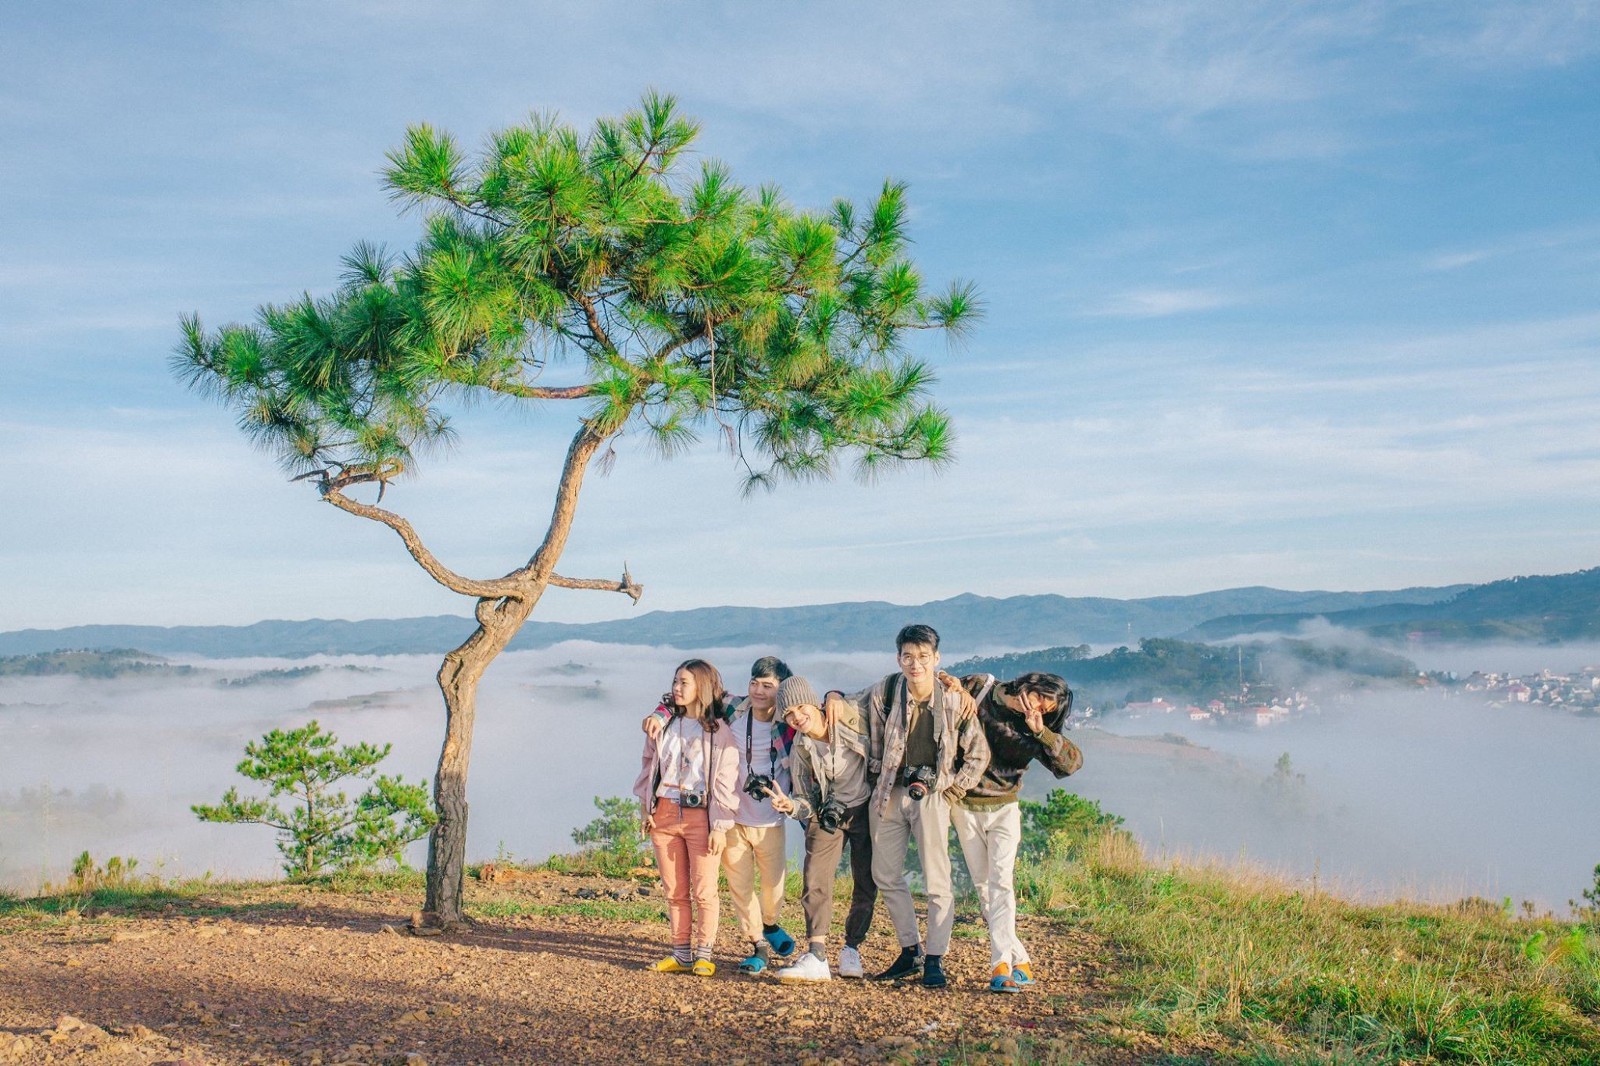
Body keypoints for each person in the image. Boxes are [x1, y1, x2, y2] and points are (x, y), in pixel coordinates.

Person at [829, 623, 989, 989]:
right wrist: (832, 695)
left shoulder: (954, 700)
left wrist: (950, 792)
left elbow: (978, 755)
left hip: (933, 795)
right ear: (898, 658)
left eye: (923, 657)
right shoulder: (886, 690)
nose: (915, 664)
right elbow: (849, 701)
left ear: (937, 658)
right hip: (888, 790)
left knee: (937, 879)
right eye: (908, 657)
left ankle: (935, 957)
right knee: (884, 874)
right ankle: (911, 950)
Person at [642, 656, 798, 973]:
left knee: (773, 887)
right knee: (739, 889)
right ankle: (757, 945)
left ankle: (769, 923)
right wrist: (659, 713)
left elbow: (817, 716)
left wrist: (834, 697)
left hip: (768, 818)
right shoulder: (734, 711)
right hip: (729, 817)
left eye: (767, 685)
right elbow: (687, 697)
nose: (758, 691)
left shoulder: (789, 724)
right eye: (754, 683)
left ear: (781, 690)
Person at [951, 671, 1082, 992]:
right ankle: (1020, 958)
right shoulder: (981, 688)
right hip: (964, 805)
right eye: (1039, 698)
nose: (1037, 707)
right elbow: (937, 683)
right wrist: (955, 687)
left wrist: (1041, 732)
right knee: (984, 890)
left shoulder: (1033, 728)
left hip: (1004, 810)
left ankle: (1000, 966)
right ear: (1029, 684)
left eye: (1046, 709)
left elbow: (1071, 764)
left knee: (1001, 883)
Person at [633, 658, 740, 976]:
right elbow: (648, 767)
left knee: (704, 890)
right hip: (664, 813)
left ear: (701, 687)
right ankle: (680, 954)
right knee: (674, 891)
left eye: (684, 683)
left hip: (701, 816)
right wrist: (646, 809)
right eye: (675, 681)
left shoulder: (718, 731)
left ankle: (704, 954)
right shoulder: (662, 725)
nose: (677, 688)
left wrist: (719, 825)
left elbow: (726, 781)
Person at [766, 675, 876, 982]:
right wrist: (791, 806)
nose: (797, 717)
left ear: (815, 703)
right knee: (815, 878)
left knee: (866, 880)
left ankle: (852, 948)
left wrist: (835, 694)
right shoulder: (800, 748)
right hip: (828, 813)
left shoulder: (848, 718)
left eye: (801, 707)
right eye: (789, 714)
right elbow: (806, 798)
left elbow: (877, 695)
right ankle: (816, 954)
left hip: (867, 809)